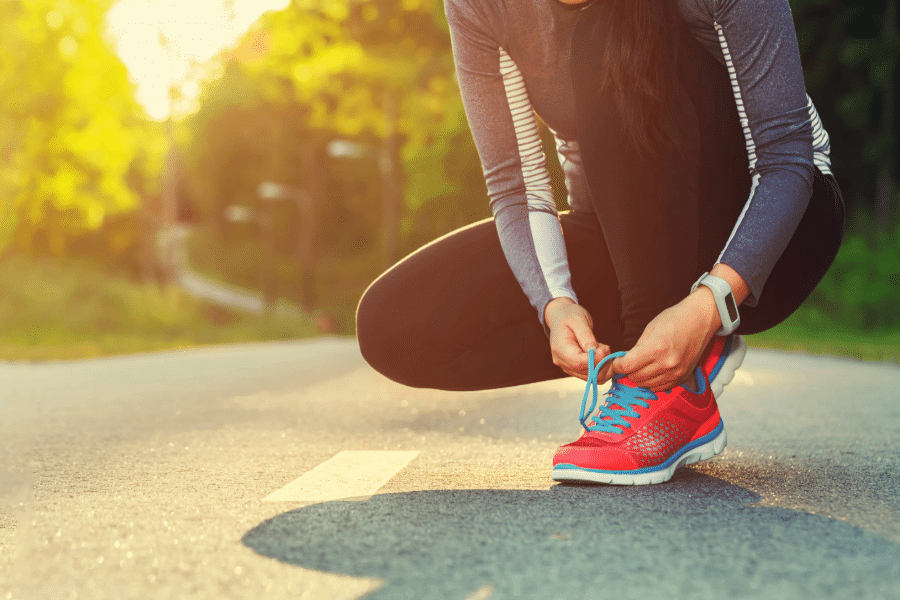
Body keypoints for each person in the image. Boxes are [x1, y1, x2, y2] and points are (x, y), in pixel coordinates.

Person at [356, 0, 845, 484]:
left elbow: (787, 158)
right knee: (394, 325)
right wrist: (557, 305)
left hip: (779, 238)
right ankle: (670, 346)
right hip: (632, 240)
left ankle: (668, 392)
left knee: (604, 30)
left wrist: (711, 303)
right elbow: (518, 186)